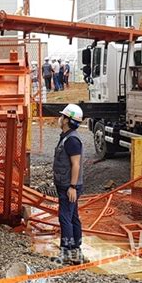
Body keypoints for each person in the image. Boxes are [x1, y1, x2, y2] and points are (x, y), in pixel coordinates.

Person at [50, 104, 88, 265]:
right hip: (66, 184)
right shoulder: (67, 136)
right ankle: (75, 252)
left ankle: (67, 252)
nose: (60, 119)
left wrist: (72, 187)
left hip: (69, 185)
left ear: (67, 120)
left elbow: (76, 164)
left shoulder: (72, 139)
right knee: (72, 217)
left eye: (63, 117)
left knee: (65, 217)